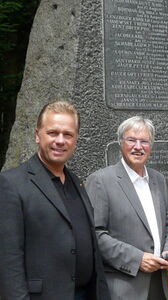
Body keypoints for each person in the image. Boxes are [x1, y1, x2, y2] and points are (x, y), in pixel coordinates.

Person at [0, 101, 110, 300]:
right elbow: (8, 261)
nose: (60, 140)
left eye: (68, 134)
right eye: (53, 133)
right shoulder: (11, 184)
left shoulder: (77, 182)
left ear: (76, 140)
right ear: (37, 135)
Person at [85, 116, 168, 300]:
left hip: (159, 286)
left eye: (144, 141)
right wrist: (137, 259)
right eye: (131, 140)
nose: (138, 146)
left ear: (151, 146)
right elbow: (95, 234)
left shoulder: (158, 179)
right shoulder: (100, 181)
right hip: (123, 289)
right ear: (120, 143)